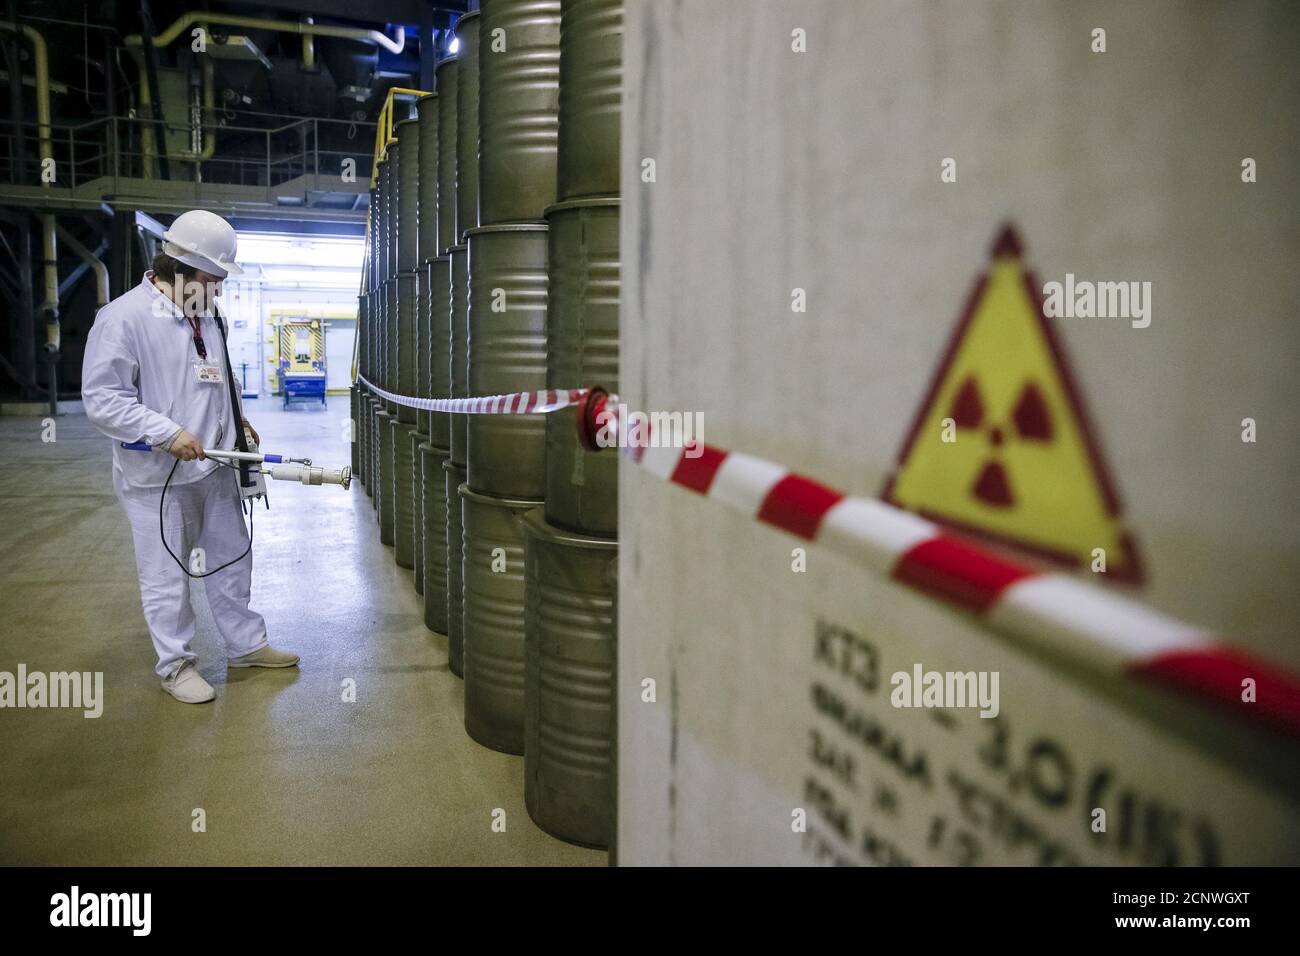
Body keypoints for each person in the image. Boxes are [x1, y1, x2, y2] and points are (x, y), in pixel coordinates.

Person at [82, 209, 299, 704]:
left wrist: (238, 419)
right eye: (211, 279)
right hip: (158, 477)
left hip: (216, 466)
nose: (218, 290)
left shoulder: (207, 314)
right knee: (166, 575)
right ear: (177, 267)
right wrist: (166, 432)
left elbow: (217, 375)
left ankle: (246, 645)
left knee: (231, 559)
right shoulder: (122, 319)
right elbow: (104, 400)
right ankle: (176, 665)